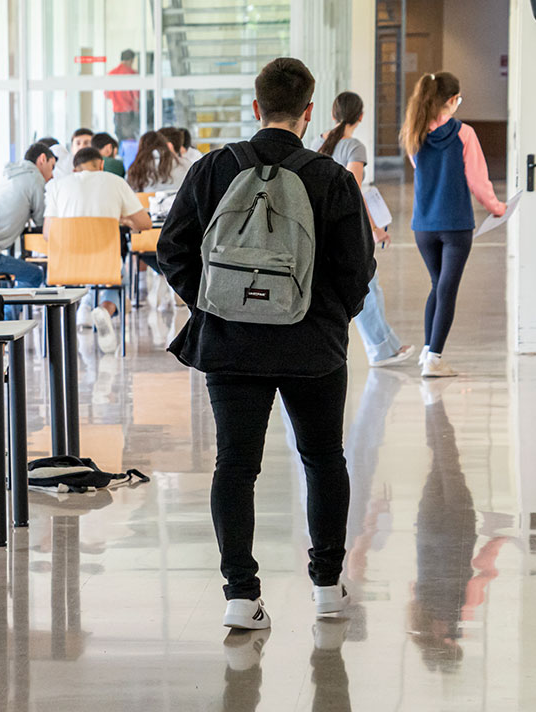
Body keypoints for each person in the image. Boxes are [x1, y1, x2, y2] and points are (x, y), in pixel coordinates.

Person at [157, 57, 374, 630]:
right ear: (309, 112)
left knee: (235, 464)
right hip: (314, 349)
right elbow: (357, 270)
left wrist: (212, 302)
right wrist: (329, 317)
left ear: (256, 108)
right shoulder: (330, 178)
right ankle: (327, 586)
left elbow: (171, 249)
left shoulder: (212, 169)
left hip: (230, 344)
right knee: (323, 458)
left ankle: (240, 595)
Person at [402, 72, 507, 378]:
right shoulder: (464, 133)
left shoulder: (413, 132)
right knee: (447, 288)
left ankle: (427, 349)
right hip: (455, 225)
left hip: (423, 225)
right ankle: (434, 357)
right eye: (458, 99)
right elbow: (477, 180)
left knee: (438, 285)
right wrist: (497, 207)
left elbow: (418, 166)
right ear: (450, 101)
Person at [317, 91, 415, 368]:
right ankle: (381, 349)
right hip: (347, 228)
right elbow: (354, 191)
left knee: (358, 287)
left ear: (334, 114)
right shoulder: (355, 147)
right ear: (360, 117)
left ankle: (386, 345)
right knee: (368, 286)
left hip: (322, 226)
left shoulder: (317, 142)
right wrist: (374, 228)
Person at [44, 146, 151, 354]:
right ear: (101, 164)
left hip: (66, 267)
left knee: (84, 276)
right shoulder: (115, 182)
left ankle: (75, 316)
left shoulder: (57, 185)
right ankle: (104, 308)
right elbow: (145, 223)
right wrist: (122, 218)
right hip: (105, 264)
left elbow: (49, 234)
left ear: (75, 169)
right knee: (121, 275)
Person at [0, 142, 55, 290]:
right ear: (42, 159)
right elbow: (41, 221)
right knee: (35, 274)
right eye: (52, 167)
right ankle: (8, 313)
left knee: (19, 268)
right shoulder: (35, 178)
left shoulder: (9, 176)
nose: (51, 175)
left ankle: (8, 310)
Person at [107, 50, 140, 141]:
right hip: (129, 111)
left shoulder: (111, 73)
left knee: (120, 136)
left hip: (117, 111)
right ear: (131, 60)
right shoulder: (132, 73)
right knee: (129, 137)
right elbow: (137, 96)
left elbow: (107, 95)